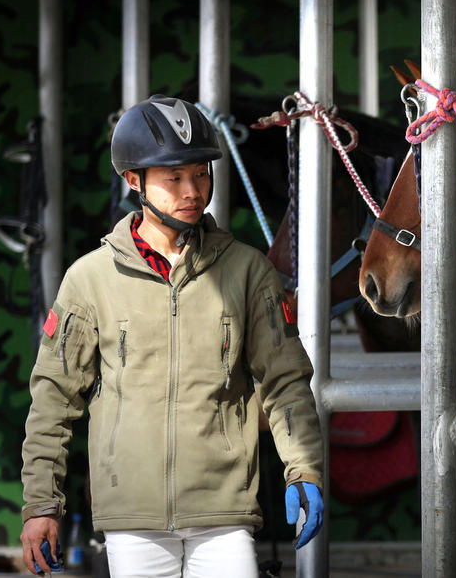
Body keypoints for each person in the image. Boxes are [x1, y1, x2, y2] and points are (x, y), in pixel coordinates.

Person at [20, 95, 325, 577]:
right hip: (132, 516)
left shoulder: (248, 272)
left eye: (201, 174)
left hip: (224, 514)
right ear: (133, 181)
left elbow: (286, 381)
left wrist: (304, 470)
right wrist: (41, 504)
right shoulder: (89, 279)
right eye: (174, 178)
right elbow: (53, 398)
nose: (193, 190)